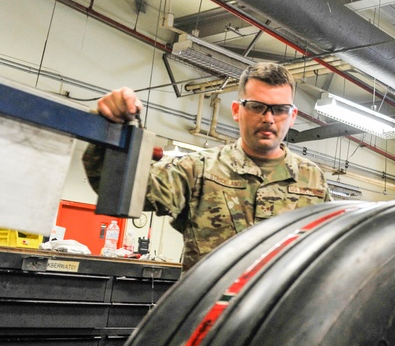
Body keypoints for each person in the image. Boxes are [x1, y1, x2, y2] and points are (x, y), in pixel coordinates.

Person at [84, 62, 330, 270]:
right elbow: (122, 191)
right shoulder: (197, 169)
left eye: (280, 110)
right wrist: (111, 128)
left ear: (293, 115)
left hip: (283, 322)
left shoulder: (312, 179)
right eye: (256, 106)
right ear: (237, 110)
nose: (268, 118)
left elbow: (329, 250)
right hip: (210, 320)